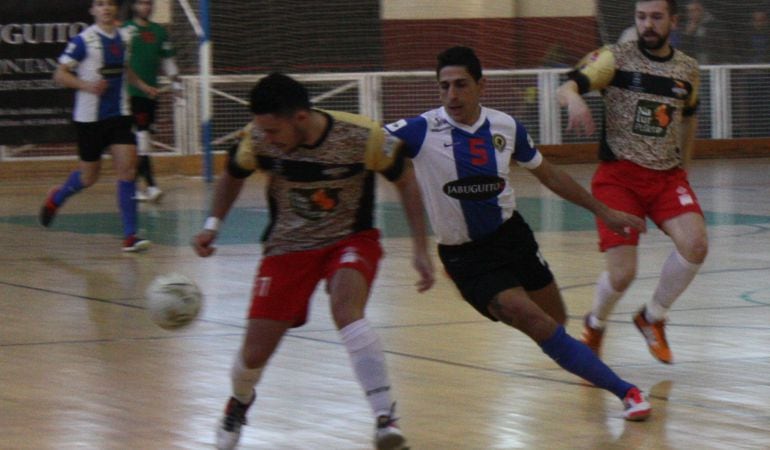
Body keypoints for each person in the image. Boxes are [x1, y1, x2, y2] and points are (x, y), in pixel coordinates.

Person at [384, 46, 652, 421]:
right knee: (531, 319)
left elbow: (550, 175)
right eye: (444, 87)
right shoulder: (421, 129)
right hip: (468, 258)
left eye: (461, 85)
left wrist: (603, 211)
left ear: (481, 85)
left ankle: (585, 360)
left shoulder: (506, 127)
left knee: (555, 320)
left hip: (513, 238)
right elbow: (366, 142)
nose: (451, 95)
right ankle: (627, 392)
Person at [191, 73, 434, 450]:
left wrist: (421, 248)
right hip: (287, 248)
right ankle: (238, 403)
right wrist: (212, 224)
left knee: (346, 309)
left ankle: (385, 418)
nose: (268, 139)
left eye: (274, 130)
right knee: (254, 353)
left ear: (300, 117)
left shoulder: (362, 137)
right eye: (263, 131)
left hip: (350, 239)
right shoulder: (257, 138)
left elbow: (406, 180)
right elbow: (232, 177)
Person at [557, 0, 708, 364]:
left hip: (667, 177)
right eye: (641, 17)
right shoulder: (614, 58)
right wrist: (575, 100)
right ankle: (595, 324)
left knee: (696, 244)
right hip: (619, 178)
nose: (648, 25)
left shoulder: (687, 69)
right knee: (623, 274)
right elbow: (567, 87)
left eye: (656, 17)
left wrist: (683, 168)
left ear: (674, 20)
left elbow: (688, 120)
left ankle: (652, 316)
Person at [40, 0, 158, 252]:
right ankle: (57, 198)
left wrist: (143, 86)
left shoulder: (125, 38)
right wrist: (87, 86)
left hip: (119, 116)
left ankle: (130, 236)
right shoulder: (84, 40)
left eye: (110, 4)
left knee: (128, 170)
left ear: (116, 10)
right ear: (93, 11)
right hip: (90, 119)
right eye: (100, 4)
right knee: (88, 177)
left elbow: (126, 69)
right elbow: (59, 75)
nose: (105, 8)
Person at [123, 0, 181, 203]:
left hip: (151, 94)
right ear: (133, 6)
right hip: (131, 94)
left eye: (149, 3)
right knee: (142, 140)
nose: (145, 7)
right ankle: (151, 185)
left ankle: (137, 186)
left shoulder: (159, 32)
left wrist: (176, 85)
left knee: (143, 142)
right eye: (141, 3)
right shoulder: (125, 31)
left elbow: (167, 60)